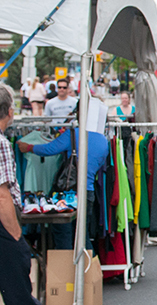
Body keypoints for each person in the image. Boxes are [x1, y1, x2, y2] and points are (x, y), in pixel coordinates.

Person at [0, 84, 73, 305]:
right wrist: (16, 234)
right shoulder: (3, 145)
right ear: (10, 111)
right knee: (20, 294)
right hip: (3, 229)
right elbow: (3, 194)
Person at [18, 106, 110, 251]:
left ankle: (65, 269)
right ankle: (89, 270)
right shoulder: (103, 140)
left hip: (68, 193)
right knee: (82, 234)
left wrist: (29, 147)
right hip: (88, 191)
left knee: (63, 233)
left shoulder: (73, 134)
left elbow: (50, 149)